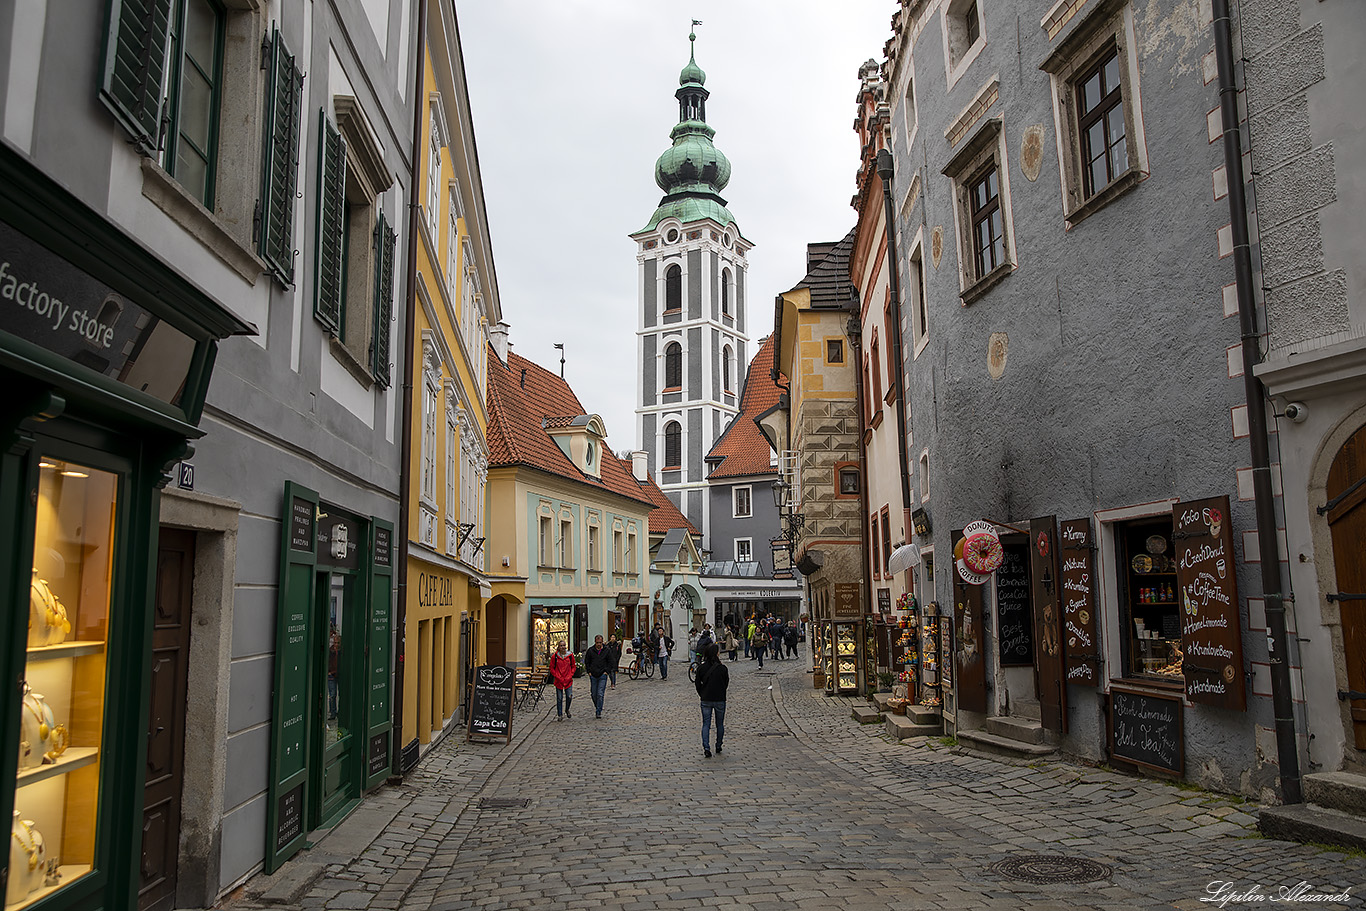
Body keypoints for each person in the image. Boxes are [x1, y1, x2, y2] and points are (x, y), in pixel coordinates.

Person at [694, 643, 729, 758]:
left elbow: (697, 683)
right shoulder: (722, 668)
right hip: (719, 698)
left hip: (706, 699)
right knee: (720, 724)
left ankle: (706, 747)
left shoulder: (701, 668)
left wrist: (702, 694)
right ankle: (718, 745)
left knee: (706, 724)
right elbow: (726, 683)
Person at [584, 635, 611, 718]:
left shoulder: (606, 650)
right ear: (595, 642)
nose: (599, 644)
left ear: (602, 642)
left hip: (603, 675)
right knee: (593, 694)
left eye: (600, 642)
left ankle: (598, 711)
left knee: (600, 693)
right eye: (597, 642)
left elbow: (610, 661)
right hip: (593, 675)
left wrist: (607, 671)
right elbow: (587, 662)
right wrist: (589, 672)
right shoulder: (591, 651)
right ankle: (598, 706)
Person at [550, 641, 576, 720]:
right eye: (561, 645)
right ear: (558, 647)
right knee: (559, 698)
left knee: (569, 696)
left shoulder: (570, 656)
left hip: (568, 679)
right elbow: (552, 668)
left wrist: (570, 675)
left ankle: (567, 709)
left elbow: (573, 666)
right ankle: (560, 714)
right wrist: (557, 676)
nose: (563, 647)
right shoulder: (555, 657)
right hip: (559, 680)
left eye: (564, 645)